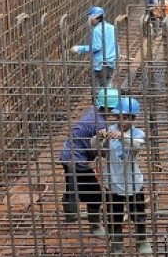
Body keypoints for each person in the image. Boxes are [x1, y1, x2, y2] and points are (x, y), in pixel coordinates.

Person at [93, 96, 152, 254]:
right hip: (113, 183)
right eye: (120, 117)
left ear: (133, 118)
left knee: (138, 215)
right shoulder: (110, 130)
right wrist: (99, 138)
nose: (123, 121)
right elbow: (95, 148)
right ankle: (118, 244)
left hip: (134, 183)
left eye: (127, 118)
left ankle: (142, 241)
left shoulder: (138, 133)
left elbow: (136, 145)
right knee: (114, 216)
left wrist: (122, 136)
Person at [58, 87, 120, 236]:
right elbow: (102, 141)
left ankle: (71, 214)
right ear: (111, 107)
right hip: (77, 159)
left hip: (67, 154)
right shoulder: (100, 122)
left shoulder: (93, 110)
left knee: (72, 186)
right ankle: (95, 227)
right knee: (95, 194)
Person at [71, 6, 118, 94]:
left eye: (89, 18)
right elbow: (115, 45)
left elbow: (96, 47)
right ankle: (108, 105)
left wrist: (79, 49)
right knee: (107, 86)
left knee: (96, 88)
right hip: (111, 62)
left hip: (100, 64)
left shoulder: (96, 30)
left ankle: (98, 105)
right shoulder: (112, 27)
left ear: (95, 18)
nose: (89, 21)